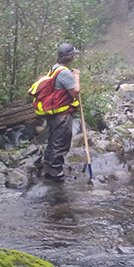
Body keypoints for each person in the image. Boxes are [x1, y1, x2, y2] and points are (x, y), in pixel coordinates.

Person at [42, 43, 81, 181]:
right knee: (60, 140)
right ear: (70, 57)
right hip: (62, 114)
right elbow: (75, 92)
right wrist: (76, 76)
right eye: (73, 55)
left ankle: (48, 168)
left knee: (52, 139)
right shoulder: (64, 72)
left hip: (53, 112)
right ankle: (56, 172)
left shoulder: (55, 68)